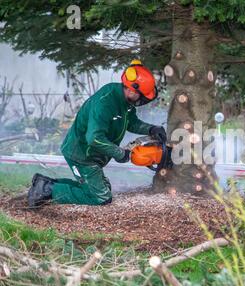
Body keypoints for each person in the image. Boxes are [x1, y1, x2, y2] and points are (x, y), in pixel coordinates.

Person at [27, 60, 166, 207]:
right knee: (101, 197)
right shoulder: (105, 103)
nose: (142, 100)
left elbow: (131, 123)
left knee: (102, 188)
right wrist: (120, 153)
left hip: (93, 154)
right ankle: (47, 190)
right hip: (81, 154)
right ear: (132, 90)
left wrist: (151, 129)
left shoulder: (125, 102)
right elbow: (94, 138)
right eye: (142, 96)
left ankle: (45, 183)